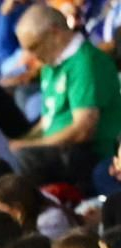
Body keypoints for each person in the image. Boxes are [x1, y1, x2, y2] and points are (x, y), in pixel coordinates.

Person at [11, 5, 121, 193]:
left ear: (54, 32)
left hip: (91, 152)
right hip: (60, 150)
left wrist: (29, 146)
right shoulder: (51, 66)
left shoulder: (85, 62)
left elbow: (82, 130)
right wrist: (17, 143)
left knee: (24, 158)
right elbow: (47, 120)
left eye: (33, 46)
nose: (29, 56)